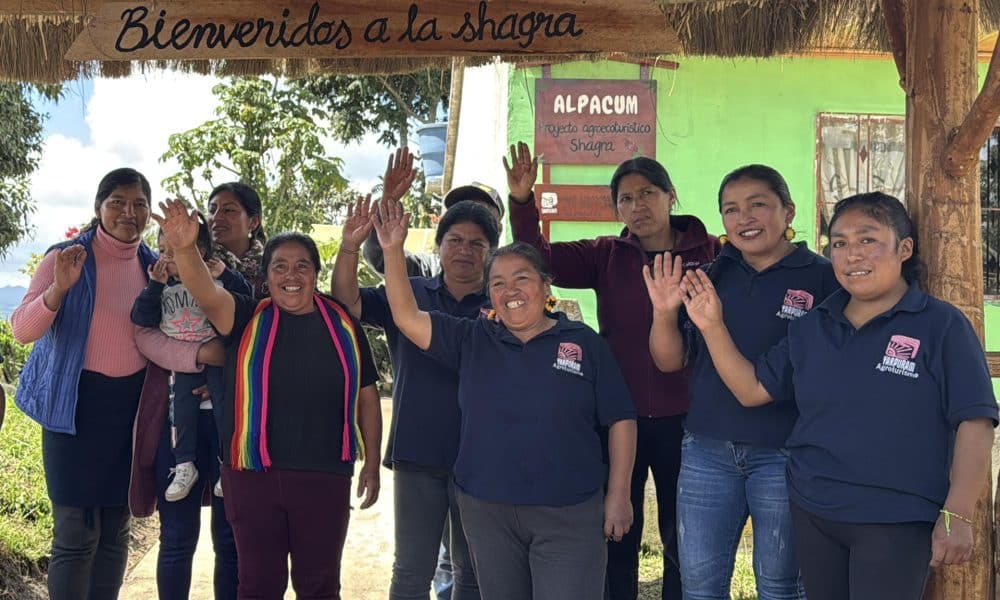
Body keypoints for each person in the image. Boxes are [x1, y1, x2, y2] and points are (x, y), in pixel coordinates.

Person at [679, 191, 997, 599]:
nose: (852, 255)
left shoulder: (940, 325)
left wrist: (958, 513)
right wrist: (711, 325)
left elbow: (975, 420)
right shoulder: (813, 326)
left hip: (895, 519)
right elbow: (752, 389)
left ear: (904, 248)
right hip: (815, 512)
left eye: (867, 240)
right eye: (840, 243)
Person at [373, 194, 638, 599]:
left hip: (568, 512)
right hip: (487, 511)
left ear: (545, 285)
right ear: (489, 293)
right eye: (498, 283)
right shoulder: (472, 337)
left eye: (522, 279)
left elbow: (621, 418)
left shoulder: (582, 342)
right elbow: (407, 317)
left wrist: (619, 495)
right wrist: (392, 250)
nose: (510, 291)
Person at [505, 142, 719, 600]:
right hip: (617, 419)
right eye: (625, 198)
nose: (637, 206)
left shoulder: (712, 254)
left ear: (670, 196)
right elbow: (538, 256)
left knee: (682, 533)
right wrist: (522, 201)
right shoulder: (605, 254)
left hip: (689, 420)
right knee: (616, 528)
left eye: (647, 194)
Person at [154, 198, 383, 598]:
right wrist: (186, 249)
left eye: (302, 266)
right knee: (258, 586)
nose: (291, 276)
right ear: (266, 275)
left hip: (325, 476)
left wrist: (374, 463)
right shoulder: (244, 318)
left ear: (315, 274)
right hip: (252, 479)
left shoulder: (345, 326)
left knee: (320, 586)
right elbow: (207, 294)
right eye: (280, 266)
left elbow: (366, 397)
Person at [645, 165, 839, 600]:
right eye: (731, 210)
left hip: (785, 451)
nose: (744, 218)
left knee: (780, 584)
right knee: (698, 585)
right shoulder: (715, 273)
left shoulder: (823, 278)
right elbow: (670, 360)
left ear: (788, 212)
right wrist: (662, 312)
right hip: (706, 450)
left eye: (758, 205)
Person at [333, 148, 488, 600]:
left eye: (477, 243)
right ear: (438, 246)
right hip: (420, 453)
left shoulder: (504, 306)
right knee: (411, 573)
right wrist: (359, 232)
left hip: (483, 457)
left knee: (472, 574)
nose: (465, 250)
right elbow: (345, 300)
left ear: (489, 252)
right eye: (455, 240)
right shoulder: (410, 292)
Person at [11, 168, 159, 600]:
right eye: (117, 202)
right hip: (72, 407)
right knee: (75, 534)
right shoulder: (66, 257)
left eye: (138, 204)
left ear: (148, 212)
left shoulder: (156, 266)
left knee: (116, 529)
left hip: (128, 411)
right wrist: (58, 289)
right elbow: (21, 329)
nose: (128, 213)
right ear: (99, 208)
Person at [132, 181, 267, 600]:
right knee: (176, 538)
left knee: (230, 540)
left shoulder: (273, 272)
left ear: (254, 221)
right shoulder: (165, 273)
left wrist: (222, 364)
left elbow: (263, 340)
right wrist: (198, 358)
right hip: (178, 412)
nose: (217, 216)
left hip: (235, 414)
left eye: (229, 209)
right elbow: (144, 331)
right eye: (213, 208)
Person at [130, 218, 251, 502]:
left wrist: (228, 276)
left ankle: (226, 465)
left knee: (225, 410)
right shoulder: (161, 286)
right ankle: (184, 464)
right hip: (183, 364)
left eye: (175, 251)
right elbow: (141, 319)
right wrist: (155, 286)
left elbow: (247, 302)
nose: (167, 259)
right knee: (180, 412)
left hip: (218, 364)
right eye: (162, 250)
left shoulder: (214, 280)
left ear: (199, 252)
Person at [361, 149, 506, 278]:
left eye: (481, 215)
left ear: (498, 230)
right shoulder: (427, 271)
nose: (469, 222)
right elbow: (380, 259)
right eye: (459, 213)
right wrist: (389, 200)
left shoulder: (507, 278)